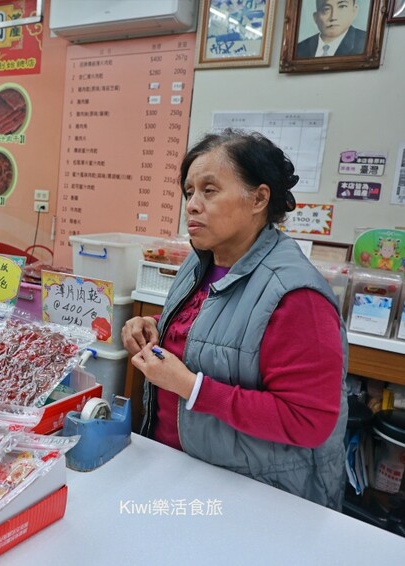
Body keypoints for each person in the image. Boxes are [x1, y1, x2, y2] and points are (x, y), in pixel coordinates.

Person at [122, 129, 347, 510]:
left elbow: (309, 421)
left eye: (209, 190)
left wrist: (192, 388)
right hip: (180, 466)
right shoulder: (202, 260)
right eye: (189, 191)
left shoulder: (296, 296)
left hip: (256, 493)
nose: (192, 205)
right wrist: (154, 326)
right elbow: (218, 327)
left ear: (259, 197)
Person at [296, 0, 367, 58]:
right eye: (326, 9)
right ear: (315, 17)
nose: (333, 17)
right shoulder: (299, 49)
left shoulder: (366, 42)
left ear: (354, 11)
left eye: (342, 6)